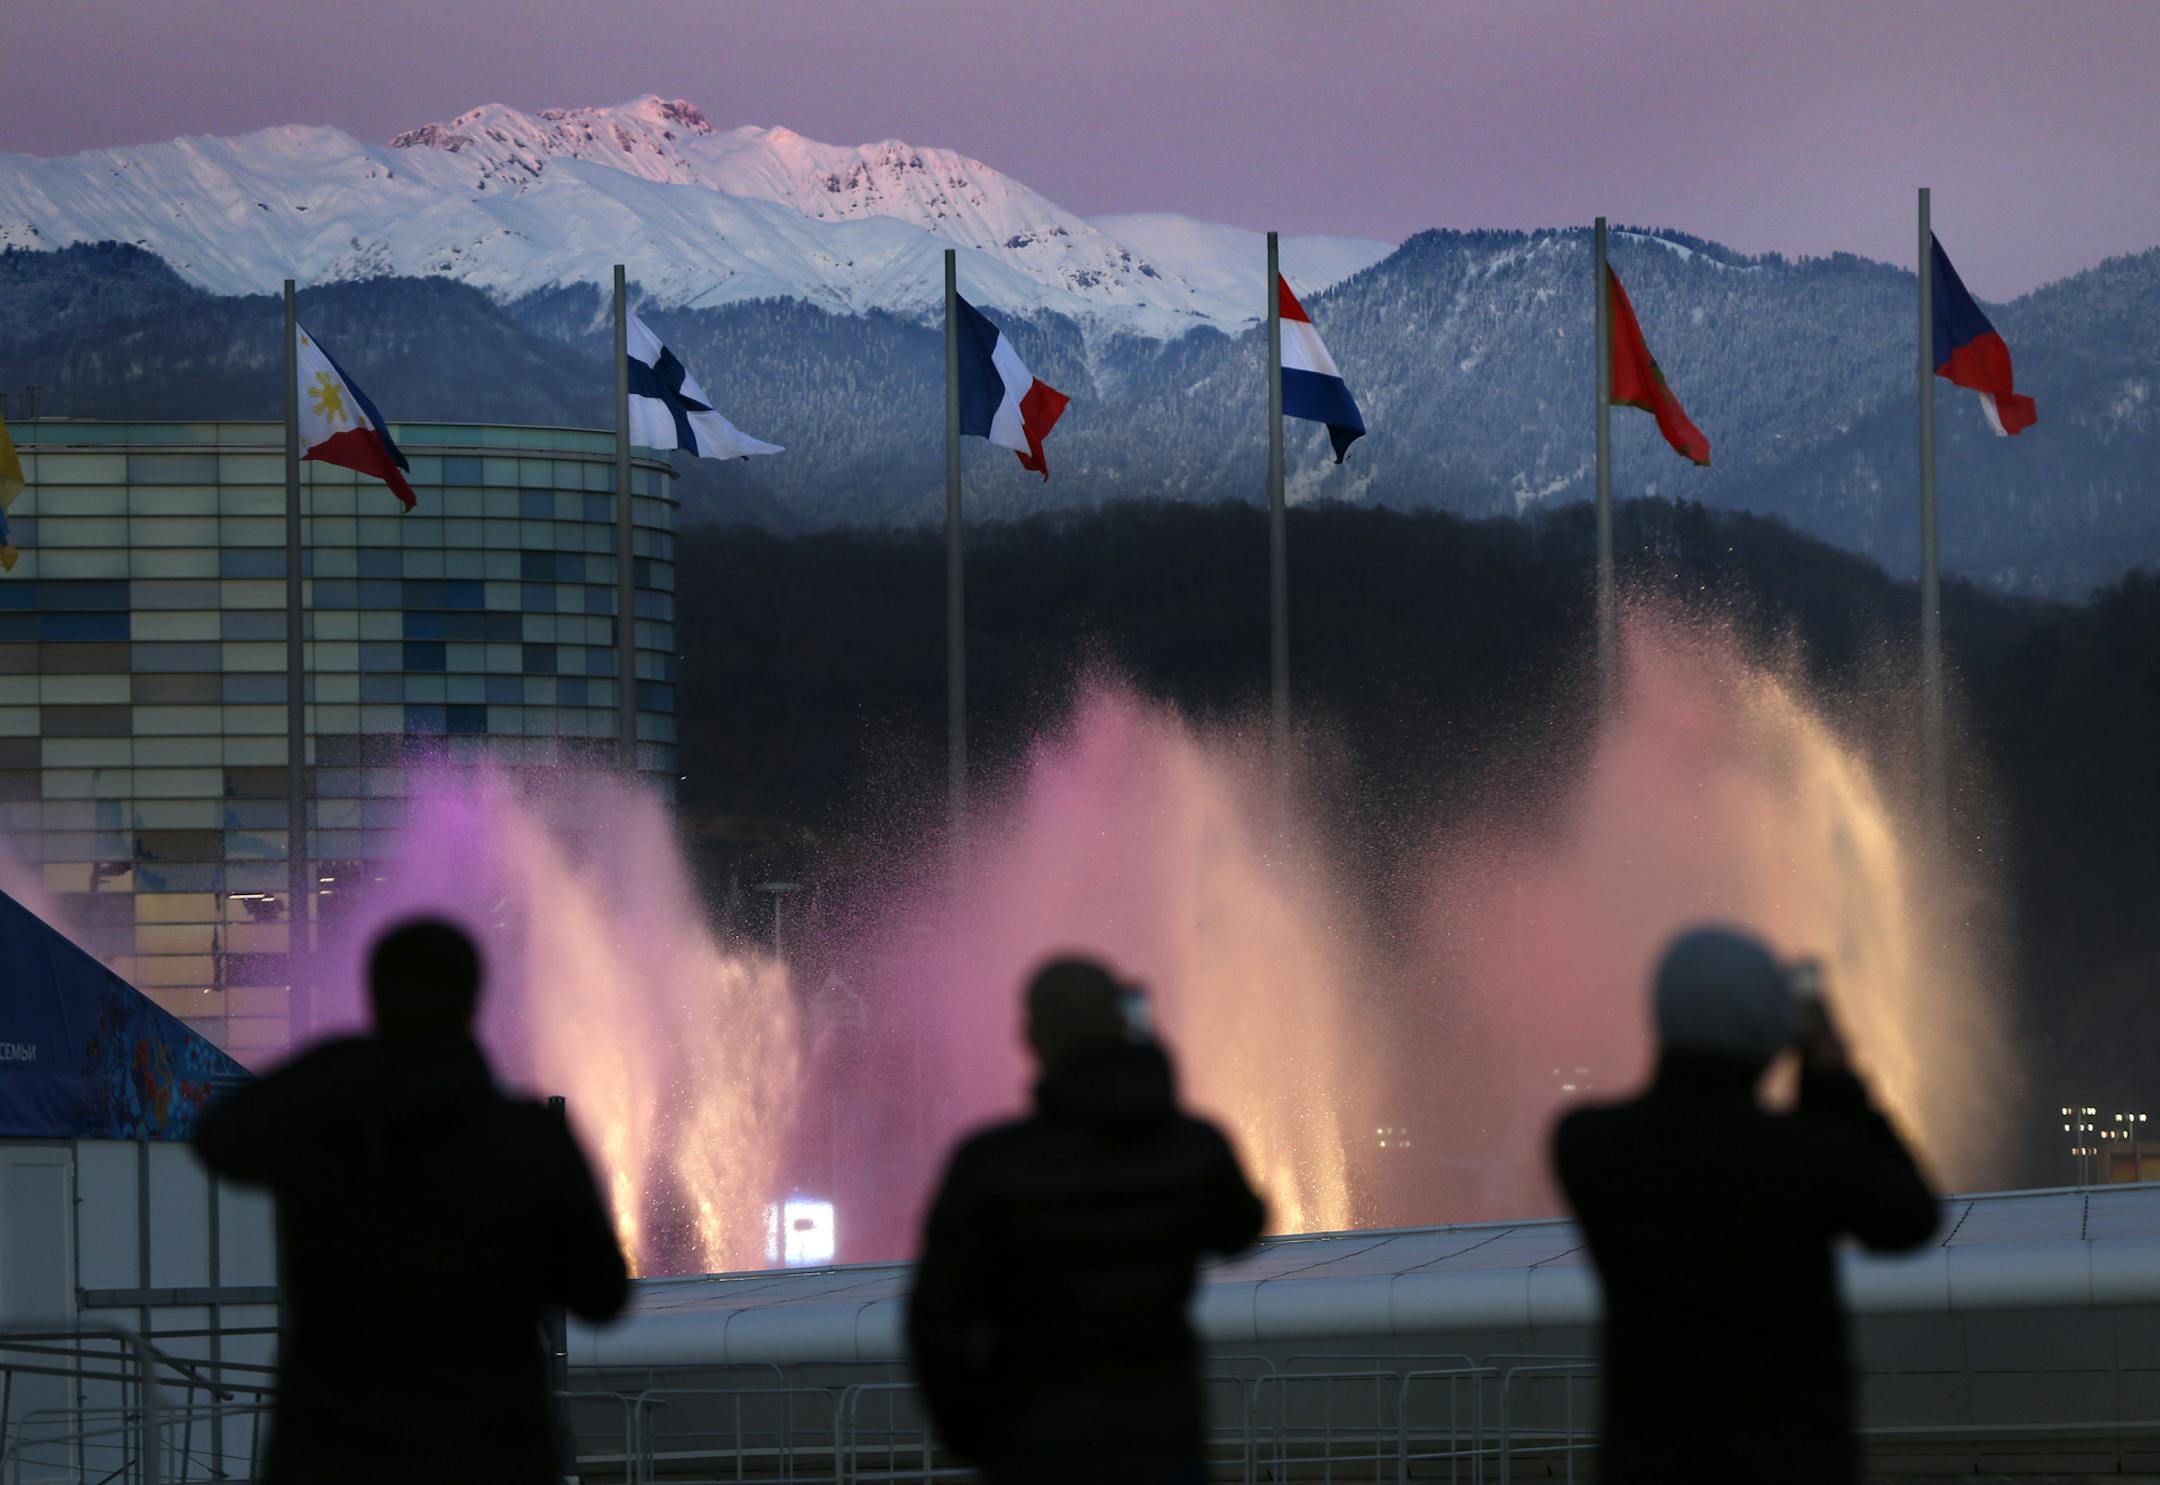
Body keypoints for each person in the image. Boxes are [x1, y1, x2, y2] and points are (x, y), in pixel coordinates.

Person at [196, 917, 629, 1485]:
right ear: (475, 1000)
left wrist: (337, 1062)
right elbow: (602, 1295)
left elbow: (218, 1138)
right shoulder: (525, 1140)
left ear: (373, 997)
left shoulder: (328, 1132)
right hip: (490, 1452)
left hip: (336, 1453)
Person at [1552, 925, 1940, 1485]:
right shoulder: (1801, 1156)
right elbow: (1910, 1218)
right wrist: (1831, 1076)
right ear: (1768, 1033)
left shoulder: (1589, 1146)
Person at [907, 955, 1266, 1484]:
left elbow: (935, 1318)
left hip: (1033, 1439)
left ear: (1030, 1037)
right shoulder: (1190, 1148)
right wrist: (1150, 1063)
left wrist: (969, 1433)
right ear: (1123, 1022)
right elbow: (1241, 1230)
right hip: (1158, 1433)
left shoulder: (990, 1164)